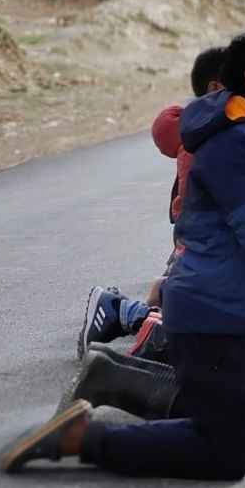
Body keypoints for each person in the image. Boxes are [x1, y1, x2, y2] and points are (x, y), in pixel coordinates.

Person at [0, 27, 245, 477]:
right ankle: (83, 438)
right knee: (227, 452)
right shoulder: (240, 142)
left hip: (240, 309)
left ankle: (116, 377)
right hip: (220, 312)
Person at [78, 44, 225, 357]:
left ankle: (151, 305)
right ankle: (122, 311)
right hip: (201, 243)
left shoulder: (209, 125)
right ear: (216, 88)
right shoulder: (211, 130)